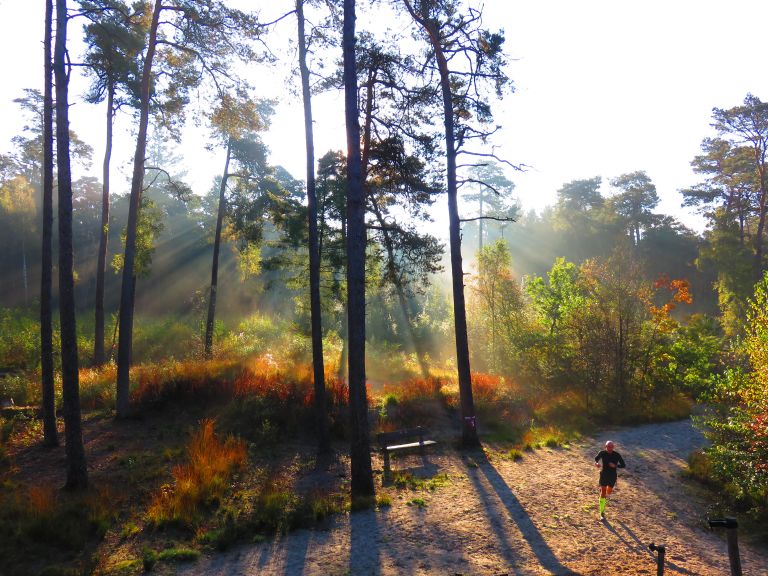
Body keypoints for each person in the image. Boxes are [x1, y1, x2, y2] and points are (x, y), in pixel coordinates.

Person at [594, 440, 625, 519]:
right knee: (603, 492)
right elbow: (596, 459)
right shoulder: (602, 453)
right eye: (608, 447)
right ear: (605, 447)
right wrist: (596, 463)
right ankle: (602, 513)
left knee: (609, 492)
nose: (610, 448)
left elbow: (623, 465)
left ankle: (604, 496)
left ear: (613, 447)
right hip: (604, 474)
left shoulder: (617, 455)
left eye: (611, 447)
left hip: (612, 476)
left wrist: (615, 466)